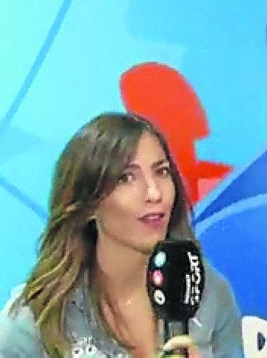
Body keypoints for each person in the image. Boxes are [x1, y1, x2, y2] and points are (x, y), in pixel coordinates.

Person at [0, 113, 243, 358]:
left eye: (161, 172)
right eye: (126, 178)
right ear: (88, 204)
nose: (154, 193)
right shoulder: (36, 317)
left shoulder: (207, 292)